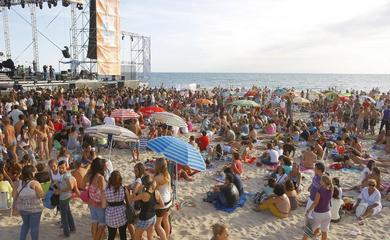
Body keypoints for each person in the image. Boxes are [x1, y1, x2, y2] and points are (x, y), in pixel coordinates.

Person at [127, 175, 164, 240]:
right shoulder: (156, 192)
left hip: (144, 219)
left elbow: (130, 199)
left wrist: (128, 193)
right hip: (153, 217)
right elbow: (162, 205)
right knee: (150, 237)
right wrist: (152, 206)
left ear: (144, 184)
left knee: (136, 237)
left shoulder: (144, 195)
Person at [13, 165, 44, 240]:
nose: (35, 172)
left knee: (25, 225)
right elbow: (41, 195)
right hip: (35, 210)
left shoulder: (17, 183)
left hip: (23, 209)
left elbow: (14, 196)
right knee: (34, 227)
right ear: (31, 173)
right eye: (34, 171)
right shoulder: (35, 183)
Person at [82, 158, 106, 240]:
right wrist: (104, 205)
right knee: (102, 224)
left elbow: (82, 185)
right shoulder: (100, 177)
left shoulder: (90, 175)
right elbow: (103, 192)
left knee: (94, 222)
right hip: (99, 204)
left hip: (91, 203)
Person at [304, 175, 333, 240]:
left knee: (307, 231)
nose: (320, 181)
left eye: (321, 180)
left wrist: (308, 210)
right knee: (324, 232)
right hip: (328, 213)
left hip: (319, 214)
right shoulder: (331, 189)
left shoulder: (320, 190)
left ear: (323, 181)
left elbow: (315, 203)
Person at [55, 160, 79, 237]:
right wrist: (58, 185)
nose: (61, 169)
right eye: (59, 168)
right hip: (66, 196)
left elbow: (70, 187)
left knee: (63, 216)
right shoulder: (66, 174)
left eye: (62, 168)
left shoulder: (66, 176)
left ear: (66, 167)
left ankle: (66, 233)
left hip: (64, 197)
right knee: (68, 213)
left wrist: (59, 191)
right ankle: (72, 228)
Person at [102, 171, 128, 240]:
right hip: (122, 214)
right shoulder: (123, 188)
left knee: (111, 236)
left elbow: (103, 206)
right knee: (123, 235)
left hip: (110, 216)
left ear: (110, 178)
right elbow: (129, 201)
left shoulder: (106, 190)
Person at [154, 159, 171, 240]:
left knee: (157, 225)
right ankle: (166, 237)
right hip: (168, 201)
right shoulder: (167, 174)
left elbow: (154, 190)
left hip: (161, 203)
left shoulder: (157, 178)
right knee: (165, 220)